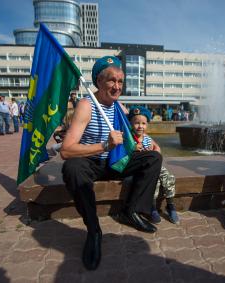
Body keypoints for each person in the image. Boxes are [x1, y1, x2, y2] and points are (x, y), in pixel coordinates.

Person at [60, 56, 162, 270]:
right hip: (91, 162)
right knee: (72, 168)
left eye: (120, 82)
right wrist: (104, 146)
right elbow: (66, 150)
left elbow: (132, 131)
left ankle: (132, 211)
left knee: (153, 157)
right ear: (99, 81)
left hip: (115, 162)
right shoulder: (86, 106)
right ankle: (94, 231)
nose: (117, 87)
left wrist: (141, 143)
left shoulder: (119, 107)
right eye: (111, 81)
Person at [128, 106, 179, 225]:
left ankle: (170, 205)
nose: (140, 126)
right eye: (136, 123)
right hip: (138, 168)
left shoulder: (147, 138)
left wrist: (156, 150)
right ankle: (152, 207)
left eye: (143, 123)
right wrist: (132, 148)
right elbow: (123, 155)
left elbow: (157, 148)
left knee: (168, 177)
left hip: (151, 166)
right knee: (154, 181)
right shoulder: (128, 138)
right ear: (130, 123)